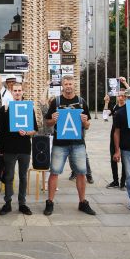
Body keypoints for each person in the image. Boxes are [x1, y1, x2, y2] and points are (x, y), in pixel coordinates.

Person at [44, 75, 96, 216]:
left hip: (78, 143)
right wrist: (52, 120)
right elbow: (47, 122)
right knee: (54, 172)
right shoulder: (56, 101)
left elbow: (88, 125)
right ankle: (50, 202)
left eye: (70, 84)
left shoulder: (81, 101)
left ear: (74, 85)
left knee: (81, 173)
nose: (68, 86)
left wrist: (85, 122)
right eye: (66, 84)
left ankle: (82, 202)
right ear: (62, 85)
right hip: (59, 143)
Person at [0, 82, 38, 215]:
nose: (18, 93)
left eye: (20, 90)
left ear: (23, 92)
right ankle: (7, 203)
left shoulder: (28, 108)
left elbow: (35, 130)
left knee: (23, 177)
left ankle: (22, 203)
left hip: (24, 148)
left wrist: (27, 132)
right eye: (15, 91)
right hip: (9, 148)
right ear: (11, 93)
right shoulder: (4, 109)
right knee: (9, 176)